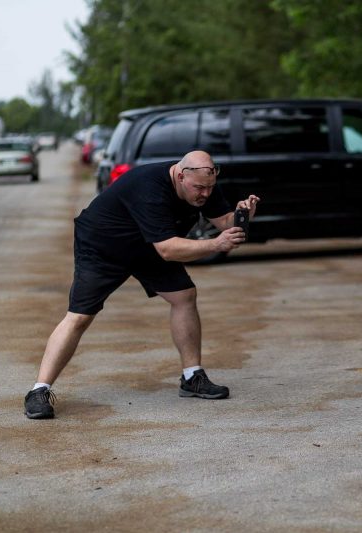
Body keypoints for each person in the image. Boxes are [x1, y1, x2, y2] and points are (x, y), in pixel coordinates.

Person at [24, 150, 259, 419]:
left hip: (149, 246)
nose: (204, 194)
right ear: (181, 176)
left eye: (209, 187)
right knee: (79, 317)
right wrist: (216, 244)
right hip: (104, 246)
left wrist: (242, 215)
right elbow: (169, 250)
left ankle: (192, 376)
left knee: (184, 296)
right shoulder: (149, 186)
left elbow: (223, 221)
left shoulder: (203, 181)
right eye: (198, 188)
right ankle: (39, 391)